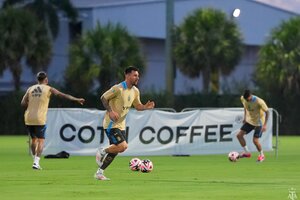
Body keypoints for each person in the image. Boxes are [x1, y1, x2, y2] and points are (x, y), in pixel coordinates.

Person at [95, 66, 155, 180]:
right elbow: (103, 97)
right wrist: (110, 111)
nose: (137, 77)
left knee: (117, 150)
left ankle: (99, 173)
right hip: (111, 124)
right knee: (123, 146)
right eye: (135, 75)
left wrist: (145, 107)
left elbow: (137, 106)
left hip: (121, 125)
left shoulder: (135, 91)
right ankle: (102, 151)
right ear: (127, 76)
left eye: (138, 75)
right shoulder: (118, 88)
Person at [21, 71, 85, 170]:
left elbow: (23, 103)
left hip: (28, 117)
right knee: (41, 140)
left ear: (37, 80)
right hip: (39, 118)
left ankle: (34, 159)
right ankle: (36, 162)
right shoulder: (48, 88)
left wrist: (31, 105)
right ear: (46, 79)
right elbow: (62, 95)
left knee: (33, 140)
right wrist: (76, 99)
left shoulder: (30, 89)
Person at [236, 89, 269, 162]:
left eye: (248, 99)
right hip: (250, 121)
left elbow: (267, 112)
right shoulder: (243, 98)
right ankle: (247, 153)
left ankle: (262, 155)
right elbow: (245, 106)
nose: (247, 101)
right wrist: (245, 118)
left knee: (255, 141)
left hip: (259, 123)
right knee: (239, 135)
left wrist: (265, 125)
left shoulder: (259, 101)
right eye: (245, 99)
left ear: (250, 96)